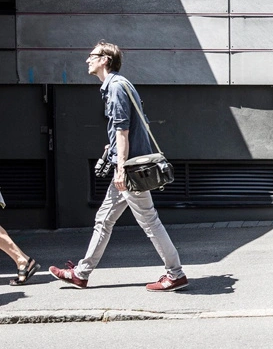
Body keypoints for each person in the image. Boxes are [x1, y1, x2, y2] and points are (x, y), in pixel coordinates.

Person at [49, 41, 188, 291]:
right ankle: (81, 273)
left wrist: (121, 169)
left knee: (149, 221)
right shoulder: (121, 84)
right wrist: (112, 147)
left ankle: (175, 274)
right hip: (127, 165)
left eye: (92, 55)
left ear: (105, 59)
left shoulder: (115, 87)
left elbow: (123, 129)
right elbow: (129, 128)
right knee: (103, 220)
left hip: (130, 171)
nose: (87, 59)